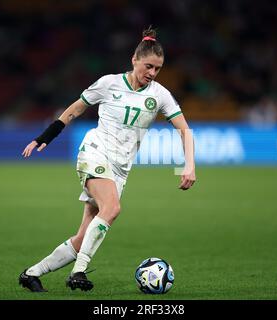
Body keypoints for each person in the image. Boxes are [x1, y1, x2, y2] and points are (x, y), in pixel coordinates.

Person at [19, 27, 196, 292]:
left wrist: (189, 165)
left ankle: (32, 274)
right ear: (134, 60)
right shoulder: (108, 83)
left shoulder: (159, 95)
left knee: (83, 238)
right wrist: (45, 136)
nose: (152, 73)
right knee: (112, 209)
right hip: (95, 151)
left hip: (121, 169)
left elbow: (185, 130)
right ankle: (78, 272)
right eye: (148, 66)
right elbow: (74, 110)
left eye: (157, 69)